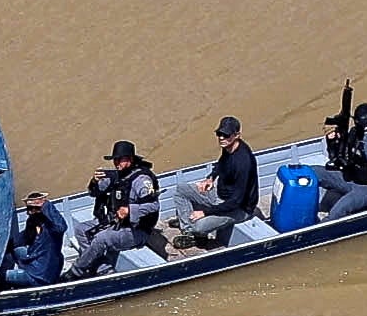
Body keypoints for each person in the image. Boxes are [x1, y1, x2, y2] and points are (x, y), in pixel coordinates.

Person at [168, 114, 262, 245]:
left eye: (226, 135)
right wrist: (210, 178)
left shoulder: (243, 162)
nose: (221, 138)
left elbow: (236, 202)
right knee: (181, 190)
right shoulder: (228, 147)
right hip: (219, 194)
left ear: (237, 135)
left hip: (238, 208)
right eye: (219, 134)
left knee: (199, 226)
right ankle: (188, 228)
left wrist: (205, 212)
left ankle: (194, 230)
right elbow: (221, 163)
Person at [82, 140, 166, 269]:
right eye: (115, 160)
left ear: (130, 159)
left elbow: (154, 205)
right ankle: (97, 265)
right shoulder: (116, 176)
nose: (116, 163)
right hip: (115, 222)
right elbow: (94, 193)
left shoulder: (142, 180)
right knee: (81, 230)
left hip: (137, 229)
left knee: (101, 238)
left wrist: (129, 210)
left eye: (119, 159)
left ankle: (80, 270)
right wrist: (94, 181)